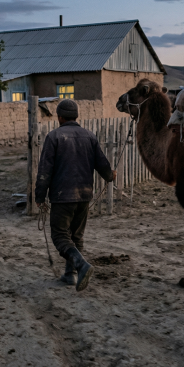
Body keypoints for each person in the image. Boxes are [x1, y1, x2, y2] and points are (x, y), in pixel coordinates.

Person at [35, 99, 116, 291]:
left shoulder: (54, 137)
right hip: (85, 195)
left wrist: (39, 196)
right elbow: (102, 164)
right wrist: (109, 176)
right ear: (76, 116)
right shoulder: (89, 136)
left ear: (60, 117)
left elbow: (45, 171)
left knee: (60, 236)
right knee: (76, 235)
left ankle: (81, 265)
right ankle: (70, 274)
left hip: (63, 196)